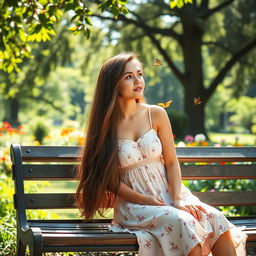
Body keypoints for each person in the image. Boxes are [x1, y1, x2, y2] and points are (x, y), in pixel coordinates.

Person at [76, 52, 247, 256]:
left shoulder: (155, 113)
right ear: (112, 84)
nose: (138, 80)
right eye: (128, 76)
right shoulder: (105, 127)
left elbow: (172, 162)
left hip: (170, 194)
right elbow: (109, 181)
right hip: (135, 204)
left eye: (139, 74)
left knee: (214, 216)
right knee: (182, 221)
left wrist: (177, 199)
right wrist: (144, 199)